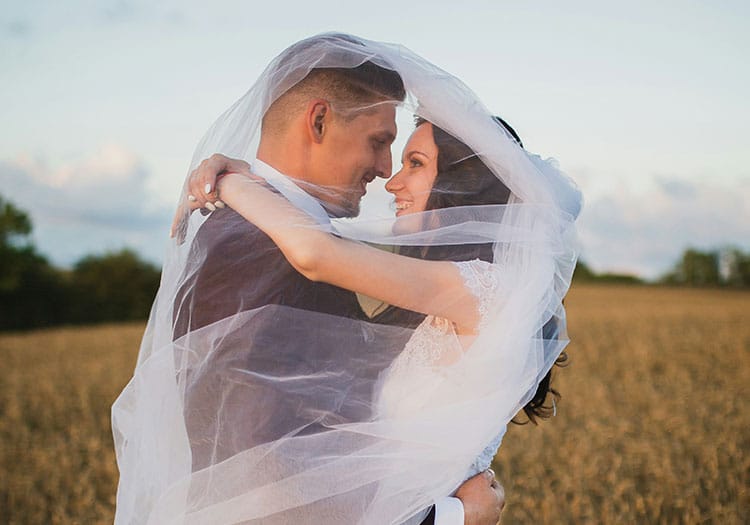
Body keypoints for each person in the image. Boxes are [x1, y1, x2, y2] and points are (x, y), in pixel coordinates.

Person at [113, 33, 580, 525]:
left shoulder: (480, 290)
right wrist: (452, 518)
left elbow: (316, 255)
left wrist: (229, 180)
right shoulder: (255, 244)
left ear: (458, 188)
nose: (388, 176)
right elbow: (256, 460)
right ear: (318, 120)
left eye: (412, 163)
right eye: (383, 145)